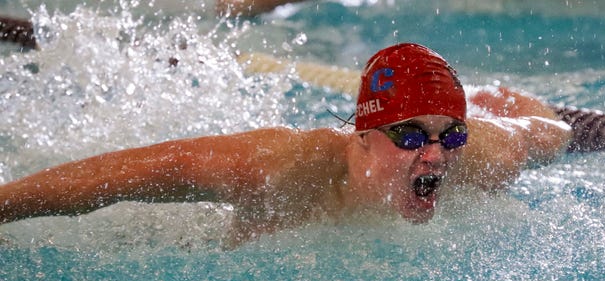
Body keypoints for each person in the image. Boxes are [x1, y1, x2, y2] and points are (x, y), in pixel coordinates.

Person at [0, 43, 572, 247]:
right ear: (364, 137)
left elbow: (549, 130)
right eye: (409, 136)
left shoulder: (482, 158)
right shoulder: (283, 166)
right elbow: (119, 176)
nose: (435, 156)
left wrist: (496, 97)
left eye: (450, 133)